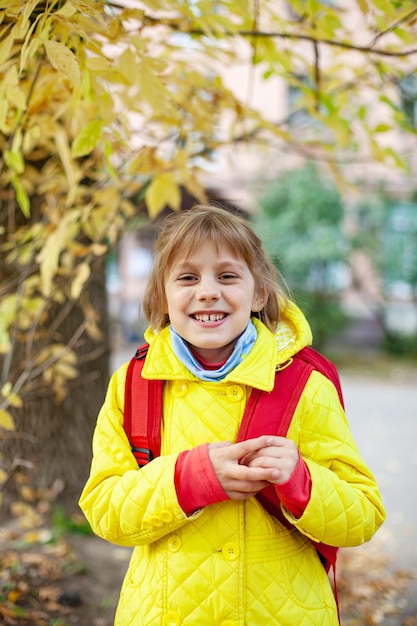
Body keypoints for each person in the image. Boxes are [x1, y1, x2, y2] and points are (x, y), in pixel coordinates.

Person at [79, 204, 386, 626]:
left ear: (259, 292)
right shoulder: (133, 385)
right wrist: (189, 480)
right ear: (161, 297)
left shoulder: (302, 386)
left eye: (227, 276)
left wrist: (302, 481)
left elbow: (362, 515)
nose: (207, 291)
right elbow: (105, 511)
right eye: (188, 277)